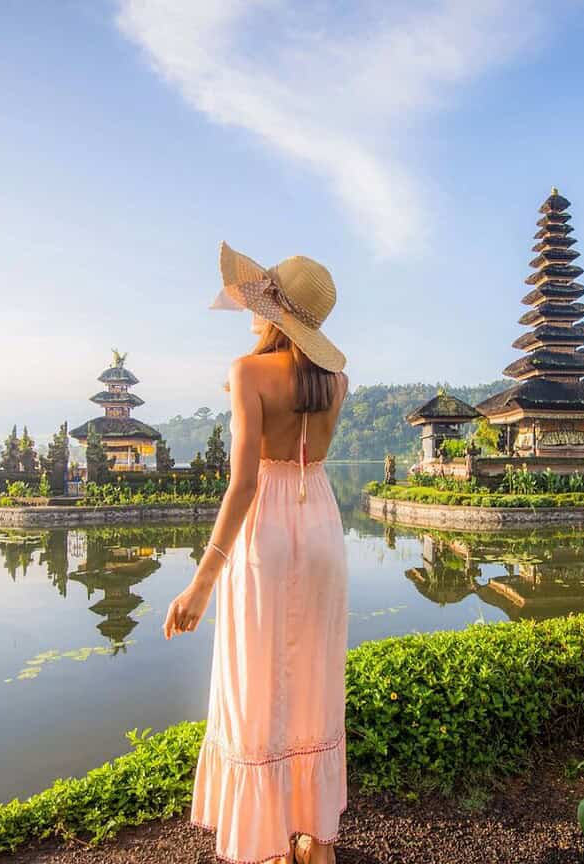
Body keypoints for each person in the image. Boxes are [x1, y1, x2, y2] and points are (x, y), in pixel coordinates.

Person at [163, 242, 349, 864]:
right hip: (320, 521)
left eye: (258, 300)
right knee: (315, 676)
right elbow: (306, 454)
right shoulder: (337, 382)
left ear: (275, 310)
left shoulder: (247, 372)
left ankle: (268, 843)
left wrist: (200, 584)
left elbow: (243, 484)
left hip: (266, 524)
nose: (248, 309)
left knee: (256, 680)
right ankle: (317, 840)